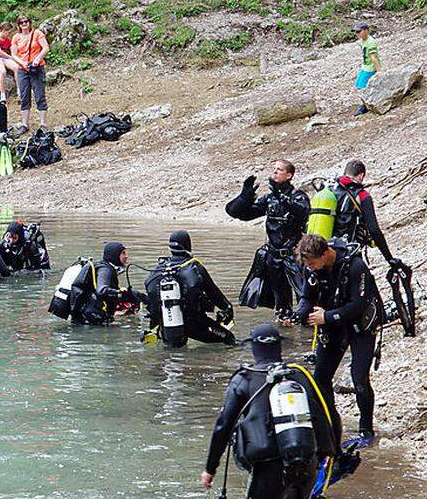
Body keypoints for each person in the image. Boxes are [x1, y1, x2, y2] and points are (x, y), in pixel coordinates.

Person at [201, 324, 337, 499]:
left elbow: (223, 426)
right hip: (306, 461)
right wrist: (330, 454)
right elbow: (329, 415)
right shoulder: (300, 375)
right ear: (279, 348)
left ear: (254, 348)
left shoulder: (244, 379)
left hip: (270, 469)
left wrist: (210, 469)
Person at [294, 234, 379, 446]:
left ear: (325, 254)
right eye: (307, 265)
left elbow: (358, 305)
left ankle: (366, 431)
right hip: (332, 326)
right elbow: (307, 296)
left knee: (359, 378)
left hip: (360, 325)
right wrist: (300, 314)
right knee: (321, 378)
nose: (310, 268)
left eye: (313, 263)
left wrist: (327, 316)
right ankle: (330, 425)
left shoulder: (356, 266)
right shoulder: (311, 268)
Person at [226, 160, 310, 319]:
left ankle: (306, 324)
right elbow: (241, 215)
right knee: (281, 302)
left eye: (279, 169)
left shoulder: (299, 196)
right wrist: (244, 197)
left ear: (289, 175)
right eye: (274, 169)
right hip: (273, 255)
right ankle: (285, 327)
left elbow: (302, 211)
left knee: (304, 294)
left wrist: (281, 196)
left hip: (295, 255)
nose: (275, 172)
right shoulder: (269, 199)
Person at [143, 230, 236, 347]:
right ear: (188, 245)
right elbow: (213, 293)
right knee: (228, 339)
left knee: (174, 354)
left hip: (167, 325)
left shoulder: (158, 270)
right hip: (196, 324)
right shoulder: (194, 267)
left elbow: (151, 298)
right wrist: (227, 308)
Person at [331, 160, 403, 270]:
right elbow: (374, 230)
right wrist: (389, 258)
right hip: (350, 251)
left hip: (328, 251)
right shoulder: (362, 196)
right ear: (361, 176)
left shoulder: (330, 191)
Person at [70, 242, 142, 325]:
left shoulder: (105, 266)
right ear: (114, 255)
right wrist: (119, 292)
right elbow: (102, 290)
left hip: (87, 317)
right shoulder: (105, 270)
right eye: (123, 253)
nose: (126, 256)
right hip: (92, 322)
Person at [10, 16, 50, 131]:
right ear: (18, 25)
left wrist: (38, 58)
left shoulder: (37, 33)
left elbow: (45, 48)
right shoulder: (16, 37)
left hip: (37, 68)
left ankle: (43, 124)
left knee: (39, 95)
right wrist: (22, 63)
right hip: (23, 69)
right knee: (24, 96)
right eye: (21, 22)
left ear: (29, 22)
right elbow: (14, 54)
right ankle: (24, 124)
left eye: (26, 22)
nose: (24, 24)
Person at [353, 22, 380, 116]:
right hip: (365, 66)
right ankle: (365, 103)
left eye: (359, 31)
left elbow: (374, 57)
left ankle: (364, 106)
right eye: (356, 32)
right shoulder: (363, 41)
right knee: (359, 85)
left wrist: (379, 71)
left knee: (363, 86)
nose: (357, 34)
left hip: (370, 68)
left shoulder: (371, 42)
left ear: (366, 31)